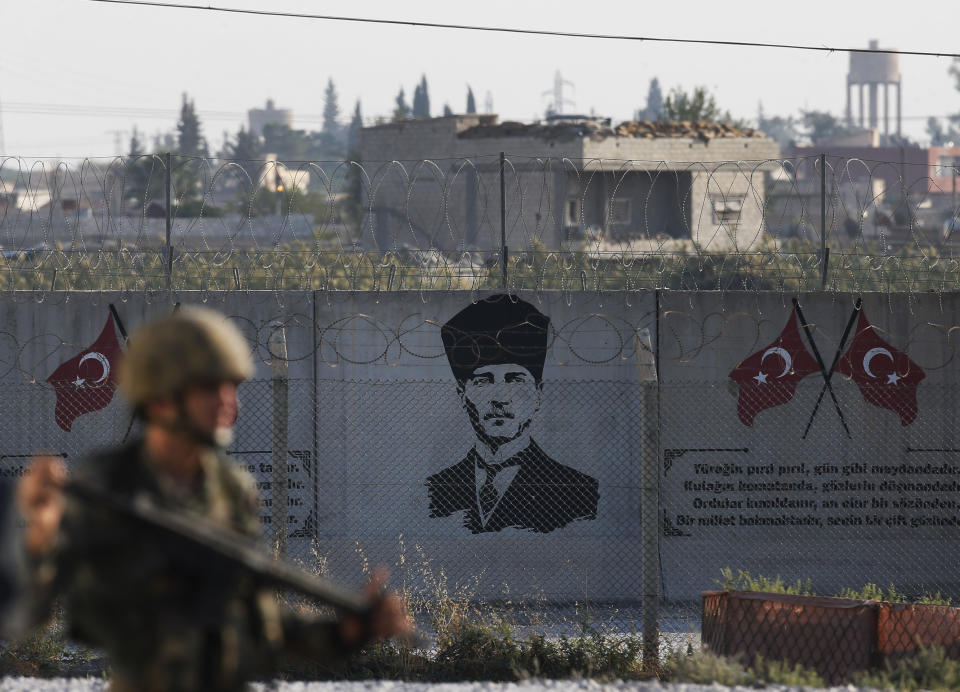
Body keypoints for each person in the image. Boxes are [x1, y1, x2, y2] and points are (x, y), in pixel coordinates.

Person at [16, 306, 408, 691]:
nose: (227, 402)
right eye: (209, 386)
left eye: (232, 386)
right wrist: (40, 536)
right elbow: (26, 613)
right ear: (160, 399)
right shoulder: (108, 483)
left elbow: (262, 627)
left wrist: (345, 633)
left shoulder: (231, 488)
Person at [426, 294, 599, 534]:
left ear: (538, 394)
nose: (500, 398)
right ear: (461, 395)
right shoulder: (437, 489)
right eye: (483, 382)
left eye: (515, 380)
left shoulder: (577, 491)